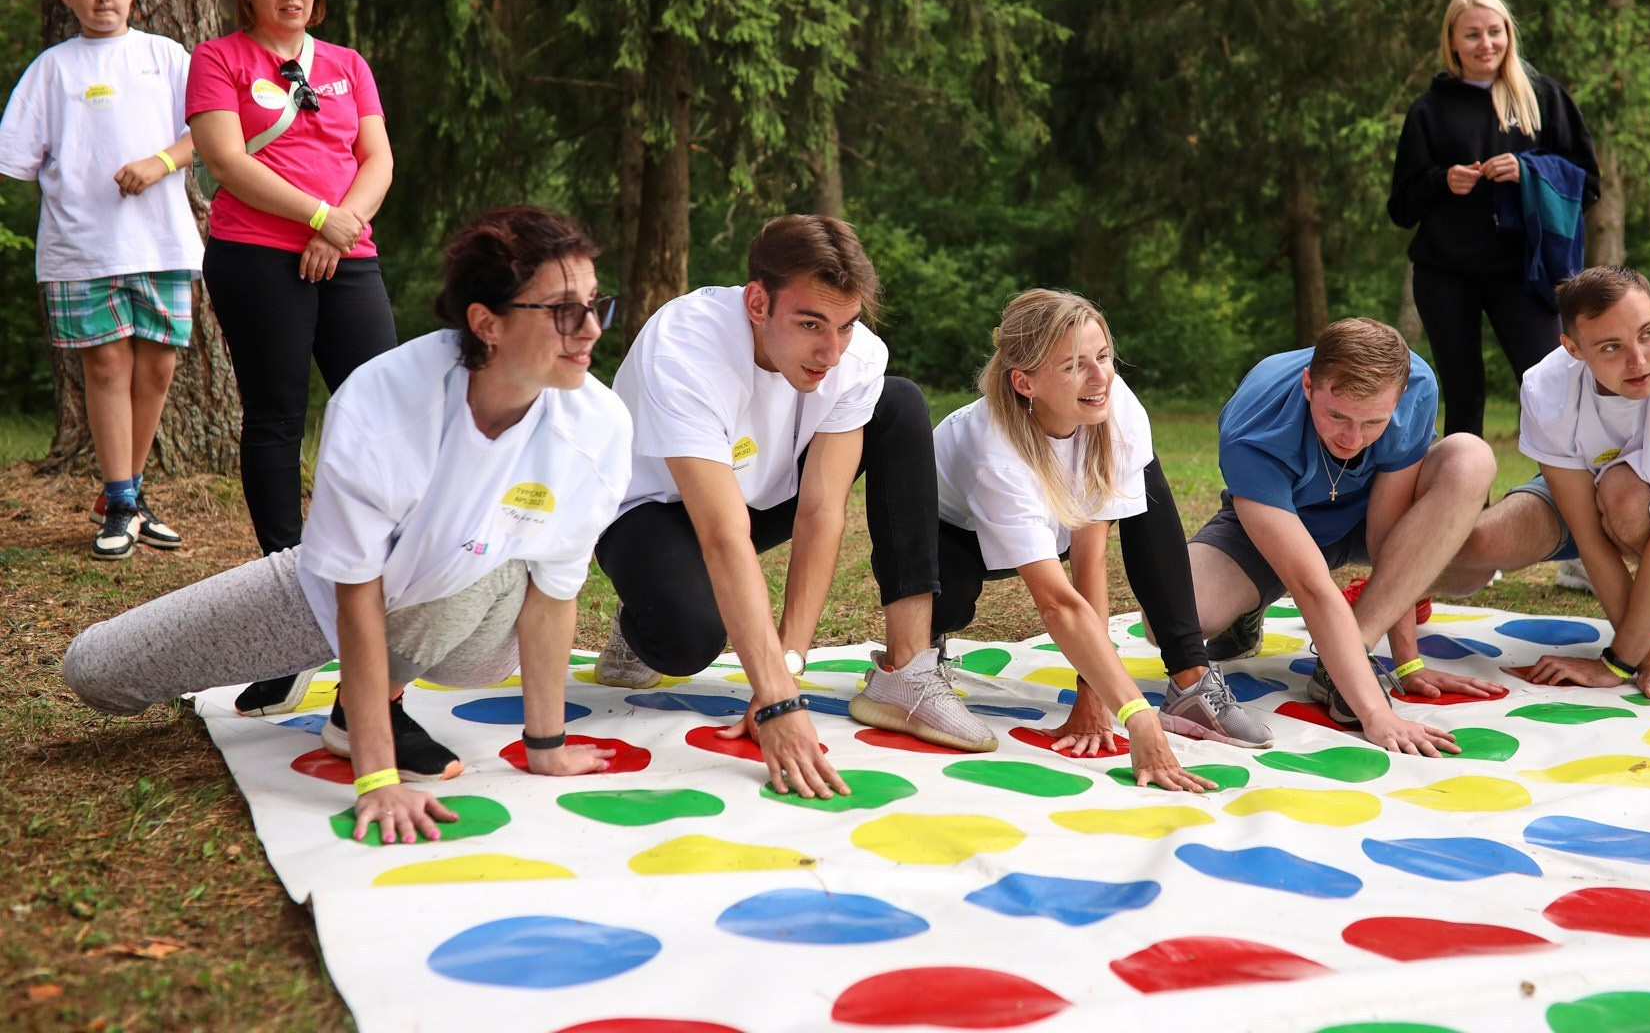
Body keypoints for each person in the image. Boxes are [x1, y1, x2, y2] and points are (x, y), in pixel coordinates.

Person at [63, 206, 630, 844]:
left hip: (468, 625)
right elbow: (354, 593)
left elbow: (555, 595)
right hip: (327, 590)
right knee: (95, 671)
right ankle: (333, 686)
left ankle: (367, 706)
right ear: (486, 322)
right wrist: (378, 779)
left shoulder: (599, 427)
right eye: (562, 309)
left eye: (594, 303)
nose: (589, 330)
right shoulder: (384, 400)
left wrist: (545, 744)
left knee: (496, 561)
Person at [593, 215, 990, 799]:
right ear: (757, 302)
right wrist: (779, 701)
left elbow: (822, 510)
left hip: (760, 493)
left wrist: (789, 662)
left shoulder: (853, 359)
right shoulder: (682, 346)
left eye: (846, 325)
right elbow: (722, 535)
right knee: (689, 639)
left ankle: (906, 673)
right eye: (810, 324)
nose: (831, 351)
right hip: (652, 508)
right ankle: (636, 625)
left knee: (898, 402)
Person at [929, 289, 1266, 788]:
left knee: (1146, 488)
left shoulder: (1113, 404)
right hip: (951, 533)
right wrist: (1136, 713)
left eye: (1103, 356)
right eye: (1073, 366)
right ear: (1025, 382)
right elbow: (1058, 605)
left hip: (1055, 516)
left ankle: (1191, 679)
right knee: (950, 600)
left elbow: (1090, 553)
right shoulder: (994, 454)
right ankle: (919, 652)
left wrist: (1095, 694)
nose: (1100, 377)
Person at [187, 0, 398, 715]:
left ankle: (381, 585)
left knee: (380, 414)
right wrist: (316, 218)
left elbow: (377, 159)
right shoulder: (219, 59)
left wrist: (338, 226)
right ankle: (292, 613)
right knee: (276, 420)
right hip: (256, 257)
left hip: (351, 255)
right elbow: (227, 162)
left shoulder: (346, 64)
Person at [1439, 268, 1650, 700]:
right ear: (1572, 348)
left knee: (1624, 496)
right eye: (1611, 347)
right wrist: (1644, 659)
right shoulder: (1545, 386)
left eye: (1649, 333)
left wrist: (1622, 661)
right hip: (1598, 491)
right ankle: (1407, 589)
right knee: (1481, 540)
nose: (1639, 361)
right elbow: (1589, 535)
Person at [1190, 318, 1503, 755]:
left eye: (1374, 422)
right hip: (1276, 525)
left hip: (1361, 514)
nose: (1353, 439)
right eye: (1336, 415)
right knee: (1172, 617)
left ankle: (1345, 662)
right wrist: (1378, 716)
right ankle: (1250, 607)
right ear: (1307, 384)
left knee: (1470, 457)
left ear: (1397, 397)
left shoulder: (1416, 385)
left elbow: (1387, 541)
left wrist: (1407, 663)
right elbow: (1312, 587)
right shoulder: (1253, 425)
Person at [0, 0, 200, 559]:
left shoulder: (167, 58)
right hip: (82, 248)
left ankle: (131, 492)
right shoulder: (52, 70)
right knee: (107, 366)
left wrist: (162, 161)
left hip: (163, 241)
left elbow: (214, 132)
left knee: (160, 365)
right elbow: (17, 159)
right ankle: (119, 500)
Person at [1388, 0, 1600, 441]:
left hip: (1525, 271)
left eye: (1494, 32)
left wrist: (1528, 172)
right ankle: (1466, 507)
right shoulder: (1429, 110)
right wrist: (1441, 180)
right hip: (1446, 271)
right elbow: (1401, 207)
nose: (1486, 44)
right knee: (1464, 396)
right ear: (1452, 42)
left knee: (1549, 390)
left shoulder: (1542, 96)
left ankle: (1561, 505)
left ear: (1509, 34)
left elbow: (1589, 183)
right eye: (1472, 35)